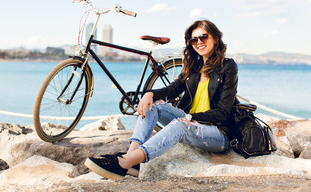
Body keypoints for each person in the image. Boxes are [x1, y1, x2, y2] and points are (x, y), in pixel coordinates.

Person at [84, 19, 239, 180]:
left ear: (215, 38)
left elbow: (223, 112)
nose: (198, 42)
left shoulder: (228, 67)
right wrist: (150, 94)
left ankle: (123, 163)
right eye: (194, 39)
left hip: (218, 133)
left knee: (180, 125)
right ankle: (131, 160)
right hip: (190, 123)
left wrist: (190, 118)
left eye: (203, 37)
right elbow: (172, 90)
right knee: (154, 106)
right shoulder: (194, 65)